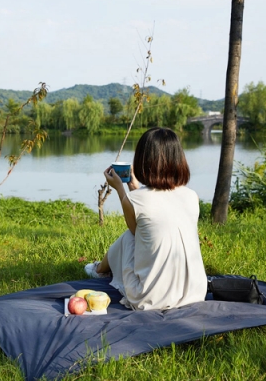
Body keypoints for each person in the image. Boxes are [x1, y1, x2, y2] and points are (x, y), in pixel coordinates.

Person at [84, 127, 207, 311]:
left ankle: (100, 270)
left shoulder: (134, 200)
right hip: (195, 293)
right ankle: (101, 268)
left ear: (143, 160)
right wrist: (134, 185)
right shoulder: (191, 196)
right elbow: (153, 211)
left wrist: (120, 189)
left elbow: (136, 230)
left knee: (128, 237)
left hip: (150, 299)